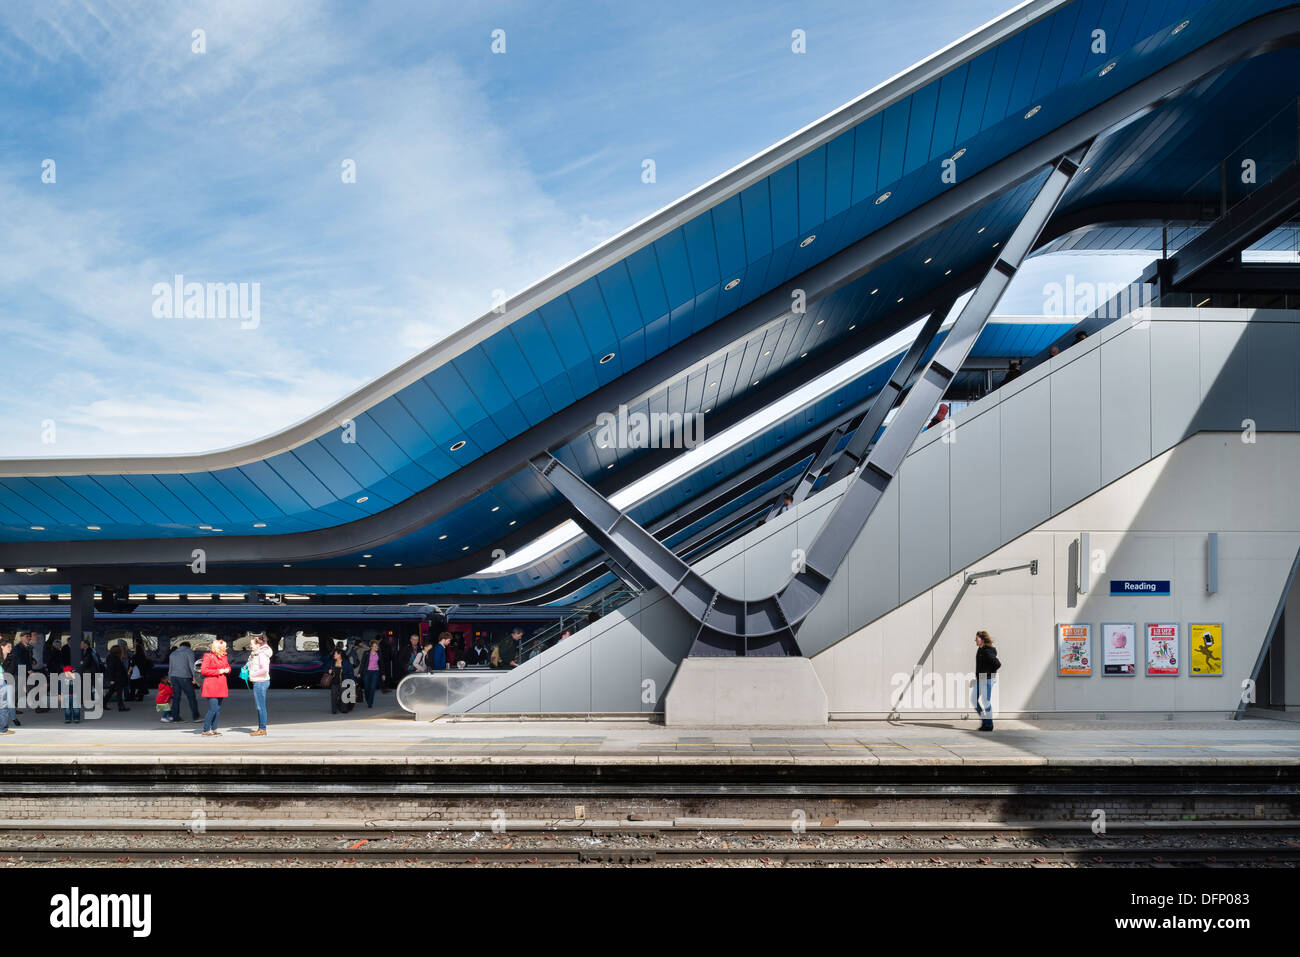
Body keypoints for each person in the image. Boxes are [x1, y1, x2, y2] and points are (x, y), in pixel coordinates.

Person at [200, 639, 231, 736]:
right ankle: (206, 730)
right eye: (223, 647)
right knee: (213, 708)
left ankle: (214, 729)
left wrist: (227, 670)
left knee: (217, 709)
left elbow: (228, 668)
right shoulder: (208, 656)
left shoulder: (224, 656)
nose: (224, 649)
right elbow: (203, 671)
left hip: (221, 684)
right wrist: (219, 671)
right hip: (211, 685)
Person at [973, 630, 1001, 732]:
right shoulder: (980, 650)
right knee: (973, 700)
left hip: (987, 679)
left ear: (982, 639)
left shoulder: (987, 650)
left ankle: (989, 725)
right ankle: (986, 722)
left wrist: (989, 675)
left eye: (977, 638)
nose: (975, 640)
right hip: (981, 679)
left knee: (986, 702)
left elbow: (997, 664)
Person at [166, 641, 201, 723]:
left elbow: (170, 668)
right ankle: (196, 717)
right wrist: (195, 677)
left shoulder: (173, 653)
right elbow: (192, 665)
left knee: (176, 698)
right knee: (191, 697)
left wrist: (170, 679)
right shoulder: (189, 651)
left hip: (174, 677)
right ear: (188, 646)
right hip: (184, 677)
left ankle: (176, 717)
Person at [247, 635, 273, 736]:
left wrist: (252, 674)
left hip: (260, 682)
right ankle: (261, 728)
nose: (250, 646)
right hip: (259, 681)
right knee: (260, 706)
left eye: (252, 644)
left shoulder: (261, 655)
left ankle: (262, 729)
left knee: (260, 706)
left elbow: (265, 669)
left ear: (259, 644)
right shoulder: (256, 653)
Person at [104, 645, 130, 712]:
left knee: (112, 691)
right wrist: (111, 679)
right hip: (117, 678)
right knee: (119, 692)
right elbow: (111, 669)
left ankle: (104, 703)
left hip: (117, 677)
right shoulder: (114, 658)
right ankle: (121, 706)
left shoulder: (112, 657)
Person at [329, 649, 355, 714]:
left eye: (335, 654)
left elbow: (351, 672)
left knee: (343, 696)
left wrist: (353, 682)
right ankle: (334, 710)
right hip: (334, 682)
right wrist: (329, 671)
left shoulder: (346, 663)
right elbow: (327, 668)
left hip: (344, 682)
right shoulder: (332, 662)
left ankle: (344, 709)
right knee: (334, 696)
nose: (334, 655)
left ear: (339, 655)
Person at [358, 639, 382, 708]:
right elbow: (362, 663)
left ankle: (370, 702)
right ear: (371, 647)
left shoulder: (379, 653)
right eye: (374, 646)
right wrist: (359, 672)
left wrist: (383, 673)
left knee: (372, 688)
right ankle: (367, 698)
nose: (376, 647)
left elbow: (381, 664)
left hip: (375, 672)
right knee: (366, 688)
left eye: (377, 646)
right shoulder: (366, 653)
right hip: (366, 672)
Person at [0, 640, 15, 734]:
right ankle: (3, 729)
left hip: (4, 681)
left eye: (11, 646)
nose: (10, 648)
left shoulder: (11, 657)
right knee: (3, 705)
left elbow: (11, 670)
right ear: (2, 646)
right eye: (8, 646)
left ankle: (3, 728)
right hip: (1, 682)